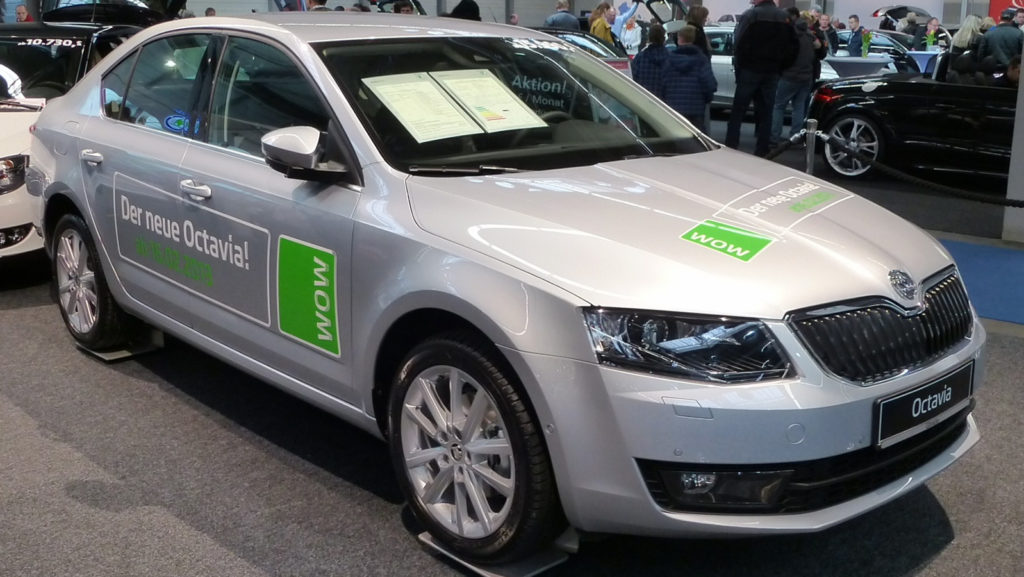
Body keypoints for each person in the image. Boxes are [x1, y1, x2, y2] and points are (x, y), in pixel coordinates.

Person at [724, 0, 797, 157]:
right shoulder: (784, 17)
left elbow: (739, 42)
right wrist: (781, 67)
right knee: (766, 112)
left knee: (738, 110)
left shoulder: (751, 15)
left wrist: (740, 66)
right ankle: (762, 149)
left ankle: (731, 145)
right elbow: (793, 45)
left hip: (750, 69)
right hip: (772, 71)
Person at [632, 23, 716, 132]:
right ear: (663, 38)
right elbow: (709, 84)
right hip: (694, 108)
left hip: (660, 106)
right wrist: (706, 99)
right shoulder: (700, 60)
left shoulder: (642, 58)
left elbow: (636, 79)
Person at [772, 9, 822, 146]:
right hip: (806, 76)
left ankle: (774, 137)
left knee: (778, 105)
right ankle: (795, 137)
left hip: (789, 75)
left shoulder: (791, 34)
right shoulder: (810, 35)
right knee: (799, 107)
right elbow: (819, 46)